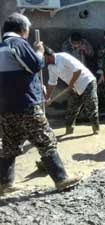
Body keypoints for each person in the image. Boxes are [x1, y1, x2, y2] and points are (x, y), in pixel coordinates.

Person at [0, 13, 81, 194]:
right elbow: (36, 65)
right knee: (45, 139)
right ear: (23, 29)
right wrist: (39, 51)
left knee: (9, 145)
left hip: (5, 107)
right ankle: (61, 178)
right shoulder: (18, 43)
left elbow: (17, 74)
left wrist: (37, 86)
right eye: (27, 29)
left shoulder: (1, 47)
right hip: (25, 104)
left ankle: (5, 183)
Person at [44, 47, 100, 135]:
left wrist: (71, 84)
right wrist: (47, 98)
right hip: (74, 87)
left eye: (43, 58)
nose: (42, 60)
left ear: (47, 56)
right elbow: (52, 83)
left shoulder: (63, 57)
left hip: (86, 82)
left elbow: (77, 70)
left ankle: (96, 130)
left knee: (91, 107)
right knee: (71, 109)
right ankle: (69, 131)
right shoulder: (50, 67)